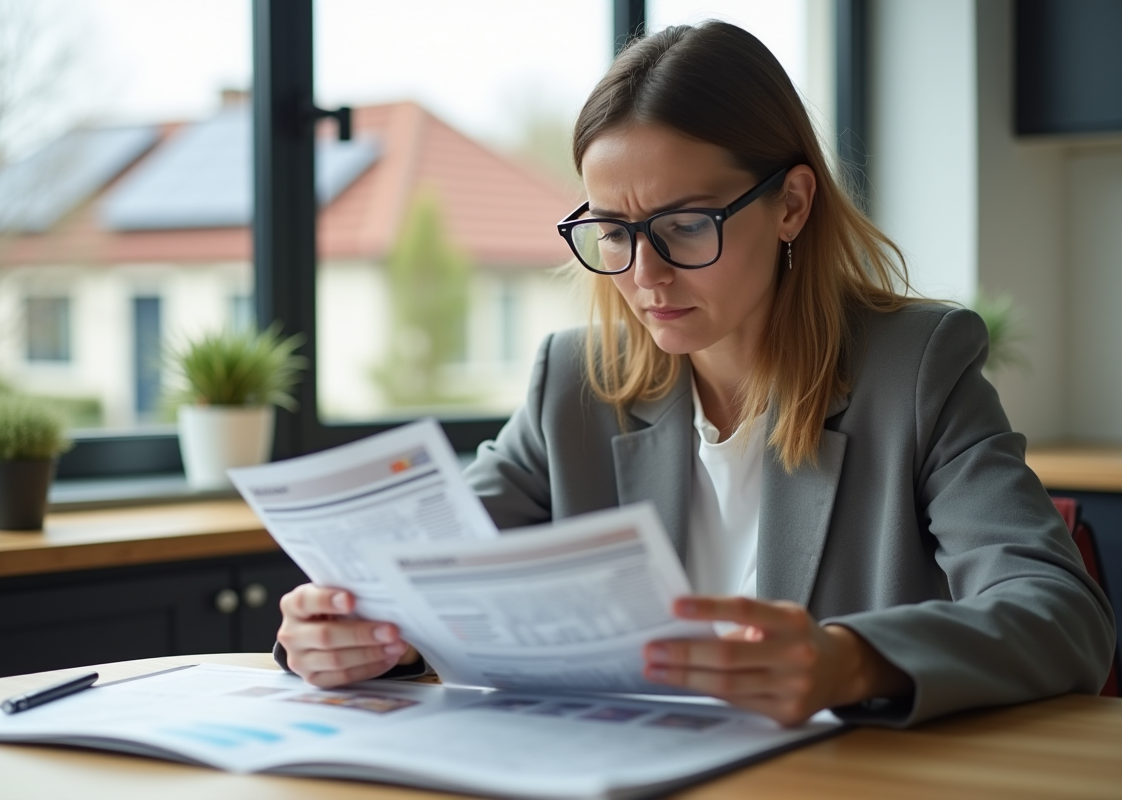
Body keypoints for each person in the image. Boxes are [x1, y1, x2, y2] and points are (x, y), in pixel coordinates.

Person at [276, 21, 1115, 727]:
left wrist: (851, 663)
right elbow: (427, 573)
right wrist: (348, 631)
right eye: (613, 229)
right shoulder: (575, 381)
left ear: (791, 203)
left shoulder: (917, 367)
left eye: (684, 224)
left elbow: (1063, 617)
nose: (645, 274)